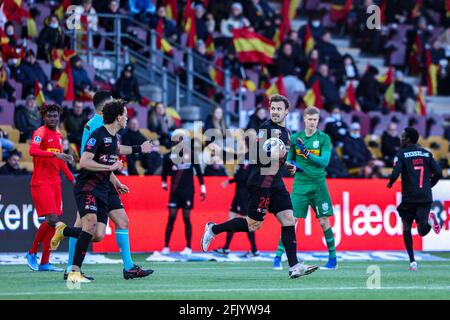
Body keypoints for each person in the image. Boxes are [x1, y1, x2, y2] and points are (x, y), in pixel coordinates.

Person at [200, 94, 319, 279]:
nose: (275, 112)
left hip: (276, 182)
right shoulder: (265, 129)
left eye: (279, 109)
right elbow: (258, 156)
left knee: (289, 219)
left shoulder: (286, 132)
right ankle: (213, 229)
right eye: (273, 108)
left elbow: (280, 158)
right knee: (253, 225)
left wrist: (287, 165)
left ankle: (294, 266)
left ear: (286, 111)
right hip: (261, 182)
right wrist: (274, 157)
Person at [52, 92, 154, 281]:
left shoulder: (109, 131)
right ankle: (71, 268)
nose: (126, 115)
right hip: (90, 182)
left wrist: (116, 179)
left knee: (114, 225)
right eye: (117, 105)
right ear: (110, 107)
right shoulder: (96, 127)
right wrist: (111, 169)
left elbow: (112, 151)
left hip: (105, 180)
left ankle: (129, 267)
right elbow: (89, 158)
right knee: (86, 227)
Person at [273, 106, 337, 271]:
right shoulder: (295, 138)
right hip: (300, 184)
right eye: (309, 119)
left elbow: (324, 162)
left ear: (318, 120)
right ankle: (278, 258)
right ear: (304, 120)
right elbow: (289, 161)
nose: (312, 123)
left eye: (315, 120)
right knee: (290, 220)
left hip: (318, 184)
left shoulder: (324, 138)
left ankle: (333, 259)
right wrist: (294, 166)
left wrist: (307, 154)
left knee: (324, 221)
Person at [25, 104, 75, 272]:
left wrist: (72, 179)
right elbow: (32, 150)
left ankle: (45, 262)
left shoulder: (59, 134)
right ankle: (31, 252)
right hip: (41, 183)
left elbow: (60, 161)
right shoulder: (40, 132)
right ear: (43, 117)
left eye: (55, 116)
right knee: (52, 220)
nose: (53, 118)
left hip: (55, 184)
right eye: (49, 116)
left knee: (53, 224)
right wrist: (55, 154)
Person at [387, 127, 442, 271]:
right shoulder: (426, 153)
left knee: (406, 227)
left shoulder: (402, 153)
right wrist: (429, 185)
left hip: (409, 197)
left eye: (403, 136)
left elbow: (395, 172)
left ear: (408, 139)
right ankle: (429, 220)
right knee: (422, 230)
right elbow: (438, 172)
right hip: (425, 196)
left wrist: (390, 182)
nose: (400, 138)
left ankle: (412, 261)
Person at [161, 130, 206, 255]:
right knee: (171, 218)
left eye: (182, 138)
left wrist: (203, 187)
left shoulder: (192, 155)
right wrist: (163, 182)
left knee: (186, 218)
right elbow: (164, 172)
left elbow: (199, 172)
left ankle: (188, 247)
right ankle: (166, 246)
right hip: (174, 192)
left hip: (188, 191)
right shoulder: (169, 156)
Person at [214, 158, 259, 257]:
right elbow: (239, 176)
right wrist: (230, 181)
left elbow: (242, 177)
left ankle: (254, 250)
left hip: (244, 196)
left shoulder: (251, 161)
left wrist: (234, 178)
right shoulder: (244, 159)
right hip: (238, 195)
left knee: (247, 223)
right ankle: (226, 248)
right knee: (231, 220)